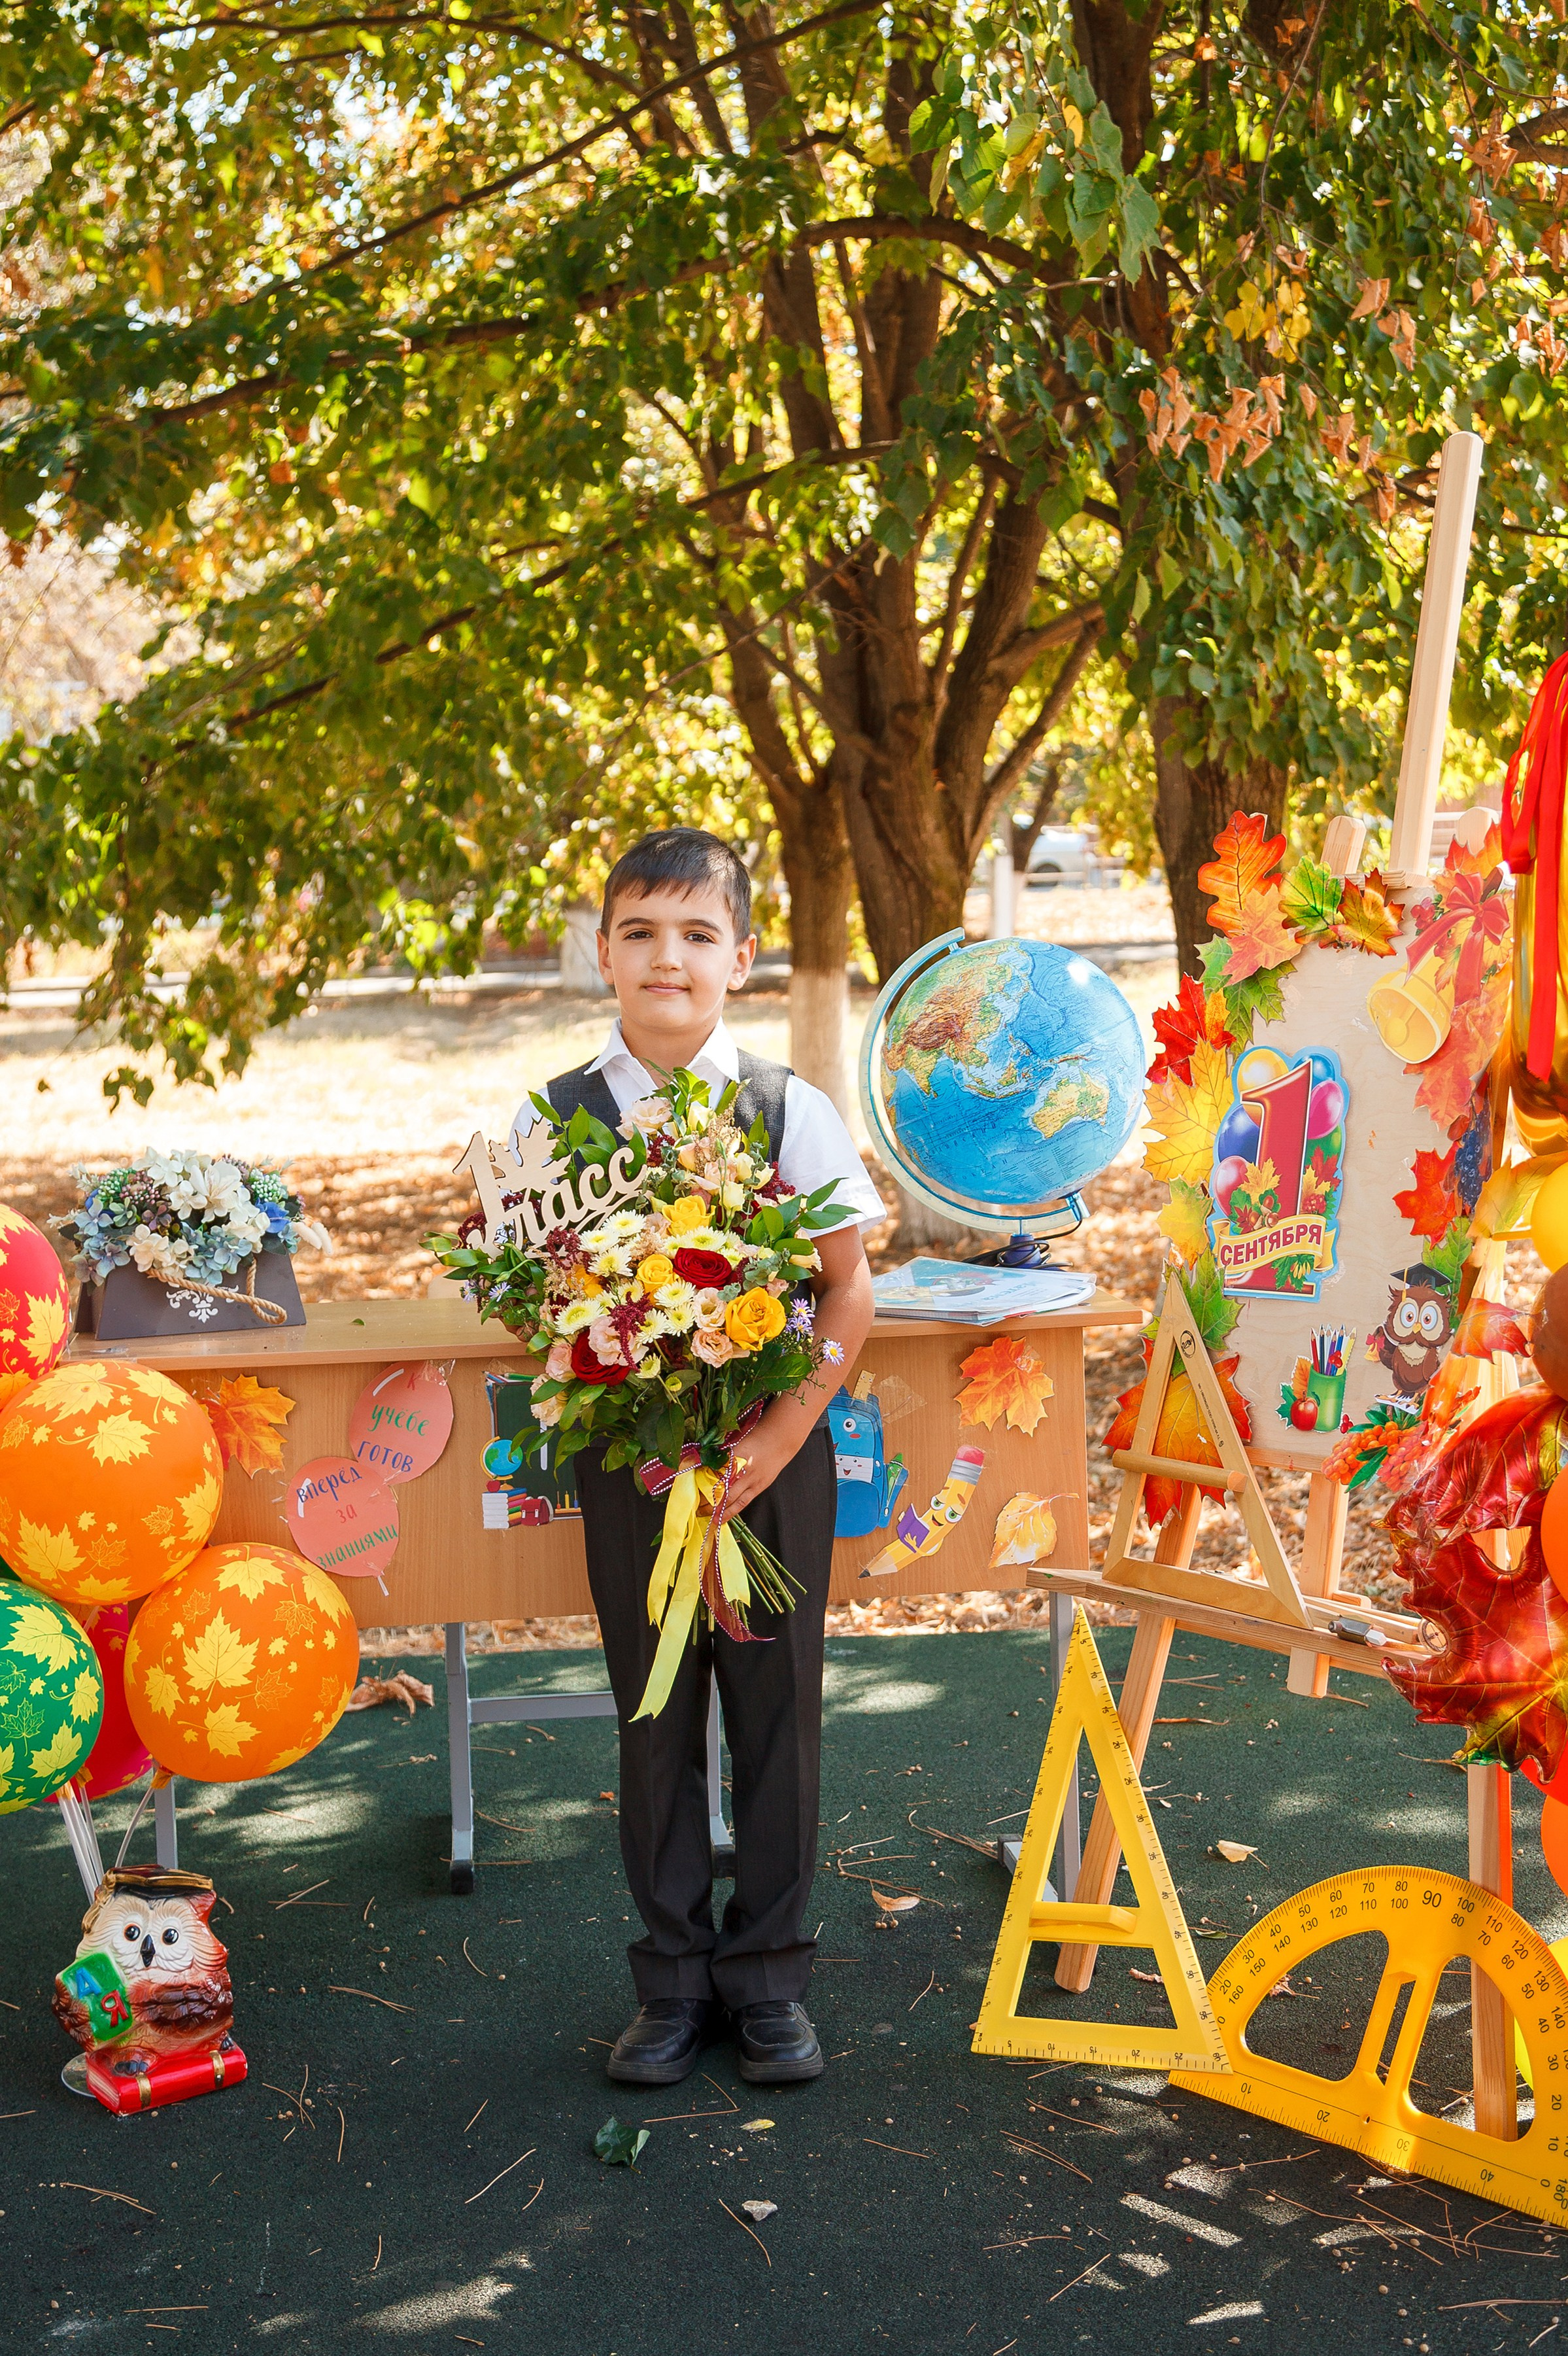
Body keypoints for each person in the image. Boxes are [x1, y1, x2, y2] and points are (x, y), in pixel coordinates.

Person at [510, 827, 881, 2087]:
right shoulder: (551, 1119)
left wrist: (781, 1432)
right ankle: (670, 1983)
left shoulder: (788, 1107)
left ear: (742, 954)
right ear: (603, 948)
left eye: (697, 933)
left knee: (777, 1717)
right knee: (654, 1709)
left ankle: (770, 1982)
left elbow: (846, 1291)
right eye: (639, 931)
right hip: (638, 1474)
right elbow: (527, 1292)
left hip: (772, 1468)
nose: (667, 957)